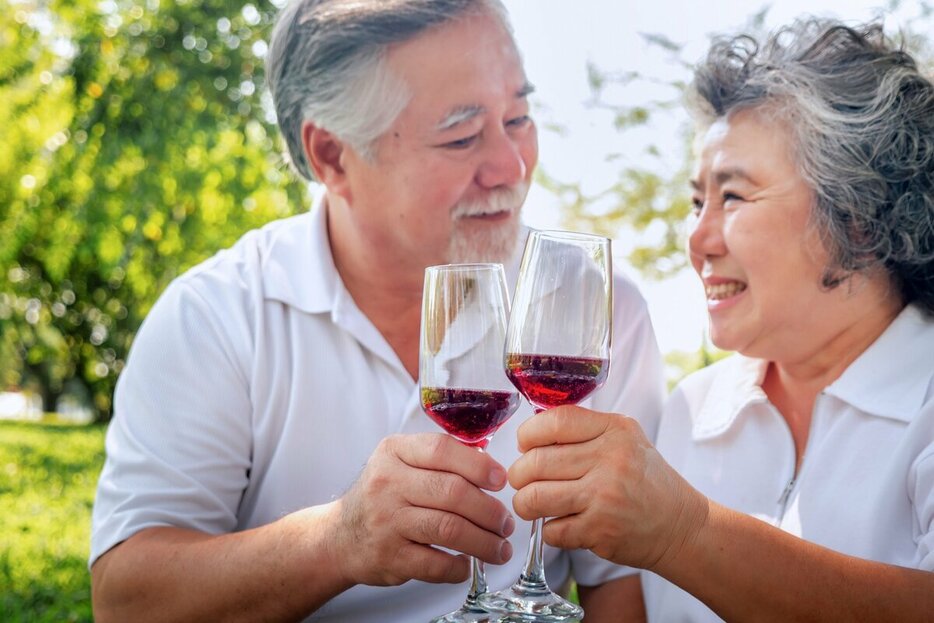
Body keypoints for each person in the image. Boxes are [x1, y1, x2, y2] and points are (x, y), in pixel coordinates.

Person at [88, 1, 666, 621]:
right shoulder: (219, 315)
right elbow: (125, 600)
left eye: (519, 118)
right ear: (332, 156)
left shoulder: (590, 312)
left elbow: (619, 589)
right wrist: (336, 541)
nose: (512, 166)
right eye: (462, 136)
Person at [506, 16, 934, 622]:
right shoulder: (692, 409)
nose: (698, 238)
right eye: (696, 201)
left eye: (733, 196)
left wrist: (683, 532)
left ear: (857, 216)